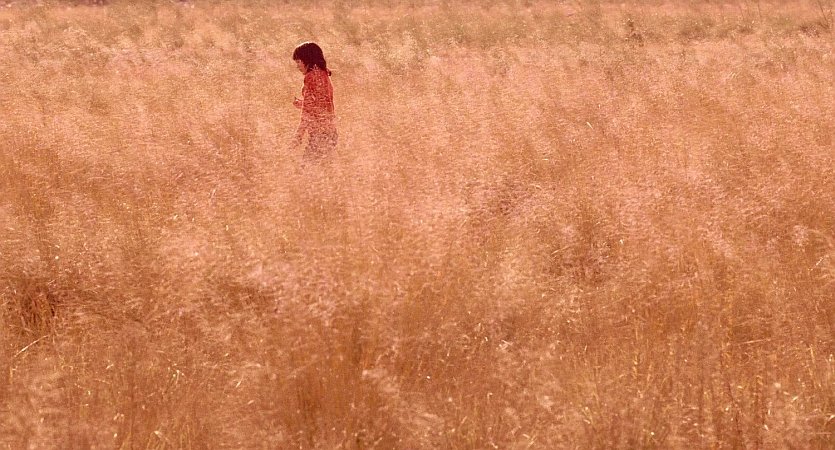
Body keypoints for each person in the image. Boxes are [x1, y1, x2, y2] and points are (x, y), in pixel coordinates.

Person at [292, 42, 337, 160]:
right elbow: (320, 104)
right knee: (323, 167)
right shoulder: (323, 74)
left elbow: (308, 110)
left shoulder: (311, 77)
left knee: (306, 167)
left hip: (319, 134)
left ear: (307, 60)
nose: (297, 66)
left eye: (298, 62)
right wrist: (302, 104)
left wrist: (299, 135)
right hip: (330, 132)